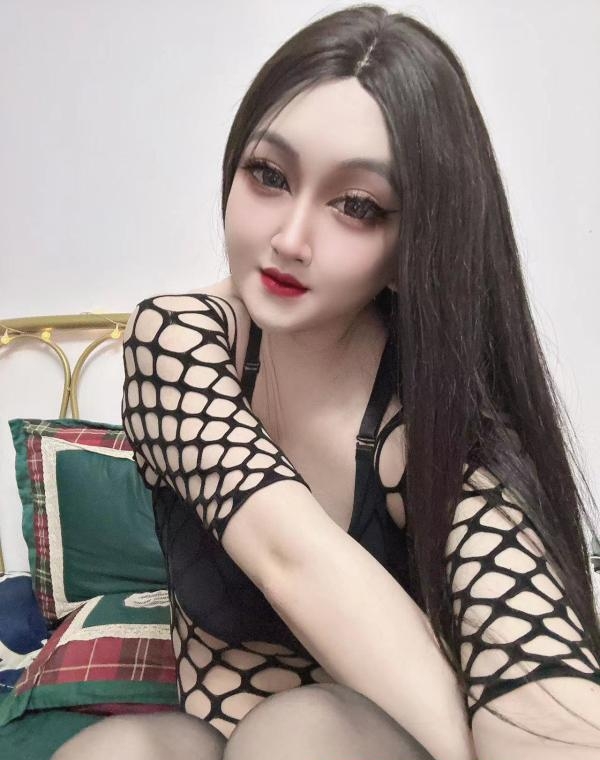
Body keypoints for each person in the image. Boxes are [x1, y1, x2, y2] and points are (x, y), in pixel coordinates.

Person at [53, 5, 600, 760]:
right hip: (216, 735)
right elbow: (289, 552)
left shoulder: (439, 424)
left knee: (299, 732)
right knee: (113, 752)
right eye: (268, 175)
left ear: (415, 244)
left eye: (356, 206)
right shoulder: (178, 342)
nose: (290, 239)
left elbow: (537, 677)